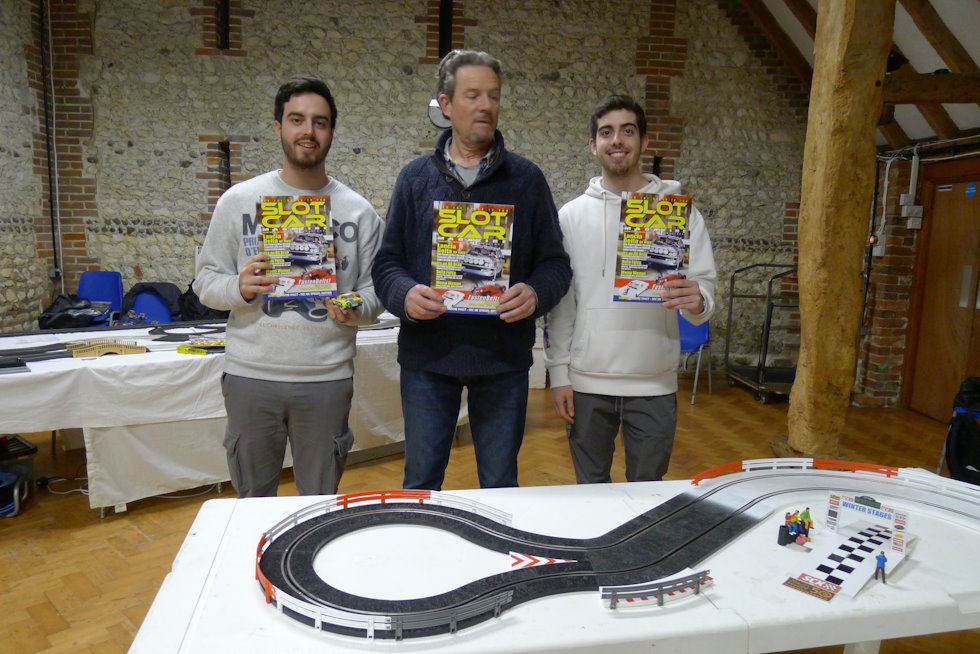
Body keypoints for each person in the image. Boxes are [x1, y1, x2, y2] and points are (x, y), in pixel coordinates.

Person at [372, 50, 572, 490]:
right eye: (473, 95)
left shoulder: (527, 179)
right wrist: (405, 294)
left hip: (502, 360)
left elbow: (556, 264)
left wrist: (536, 293)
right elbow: (387, 263)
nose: (486, 106)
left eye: (493, 96)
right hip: (428, 359)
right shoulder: (414, 179)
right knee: (421, 483)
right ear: (446, 105)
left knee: (500, 485)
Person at [194, 74, 382, 497]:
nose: (308, 131)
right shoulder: (239, 200)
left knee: (318, 501)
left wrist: (357, 308)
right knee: (252, 500)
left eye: (320, 122)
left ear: (331, 131)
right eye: (297, 120)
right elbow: (205, 282)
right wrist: (240, 287)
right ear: (279, 127)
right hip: (250, 376)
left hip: (327, 377)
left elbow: (377, 291)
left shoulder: (359, 212)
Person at [545, 95, 716, 484]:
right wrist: (559, 374)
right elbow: (563, 304)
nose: (617, 140)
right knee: (590, 490)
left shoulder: (679, 212)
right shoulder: (571, 216)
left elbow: (704, 287)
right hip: (587, 378)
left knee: (647, 492)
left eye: (628, 131)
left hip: (654, 377)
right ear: (593, 145)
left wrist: (698, 301)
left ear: (644, 141)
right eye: (606, 132)